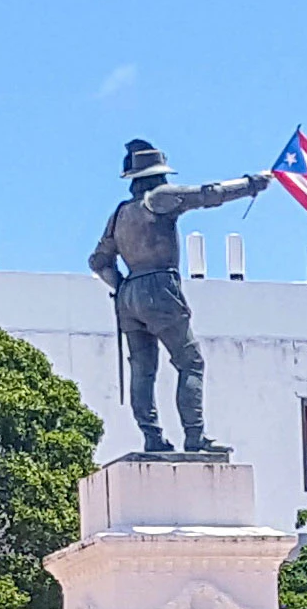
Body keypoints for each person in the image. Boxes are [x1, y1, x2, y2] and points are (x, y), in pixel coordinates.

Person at [89, 138, 271, 455]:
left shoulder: (120, 213)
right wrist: (250, 184)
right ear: (157, 176)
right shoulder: (159, 198)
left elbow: (98, 261)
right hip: (159, 288)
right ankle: (194, 437)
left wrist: (120, 287)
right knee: (191, 363)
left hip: (128, 293)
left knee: (143, 370)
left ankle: (152, 435)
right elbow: (207, 195)